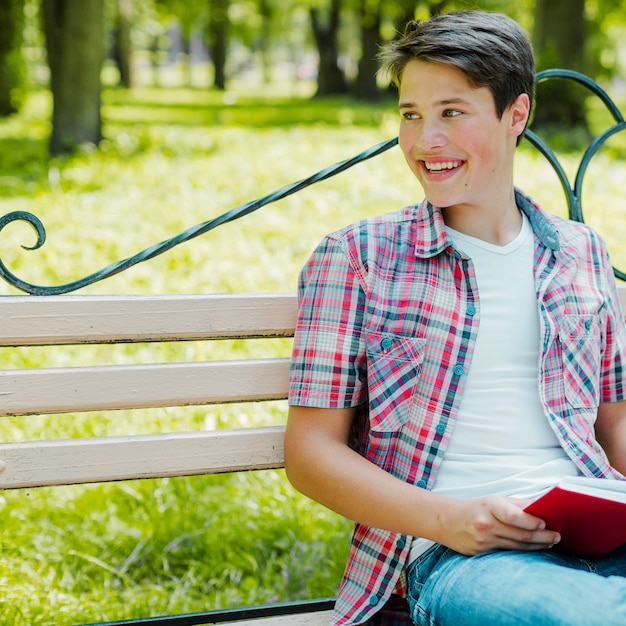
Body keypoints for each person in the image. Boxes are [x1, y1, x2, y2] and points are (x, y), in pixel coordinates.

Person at [284, 9, 626, 626]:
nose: (423, 142)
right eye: (410, 115)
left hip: (601, 529)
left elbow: (616, 425)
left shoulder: (580, 253)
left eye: (451, 113)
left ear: (515, 115)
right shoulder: (358, 257)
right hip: (460, 553)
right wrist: (449, 520)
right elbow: (310, 453)